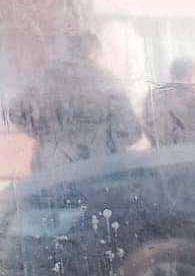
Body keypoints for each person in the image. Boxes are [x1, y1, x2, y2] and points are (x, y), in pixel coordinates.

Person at [8, 30, 141, 172]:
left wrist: (45, 134)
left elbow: (16, 113)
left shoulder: (45, 78)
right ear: (93, 53)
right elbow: (131, 130)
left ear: (70, 50)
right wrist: (104, 141)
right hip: (98, 170)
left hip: (51, 169)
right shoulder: (106, 82)